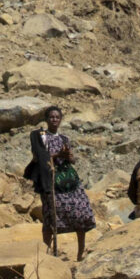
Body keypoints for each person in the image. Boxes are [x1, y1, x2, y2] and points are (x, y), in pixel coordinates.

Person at [26, 106, 96, 261]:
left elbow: (72, 160)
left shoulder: (64, 138)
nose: (54, 120)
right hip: (51, 180)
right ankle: (46, 254)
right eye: (51, 117)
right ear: (46, 119)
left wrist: (69, 156)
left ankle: (80, 252)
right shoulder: (40, 136)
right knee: (51, 216)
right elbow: (39, 156)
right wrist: (57, 154)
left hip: (68, 180)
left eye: (57, 117)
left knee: (81, 210)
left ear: (61, 119)